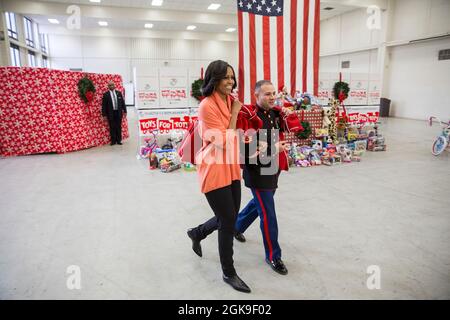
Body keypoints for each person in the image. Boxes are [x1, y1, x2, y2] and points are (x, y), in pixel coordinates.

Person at [186, 60, 251, 293]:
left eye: (232, 77)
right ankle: (228, 272)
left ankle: (197, 233)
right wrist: (234, 114)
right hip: (214, 167)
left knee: (230, 217)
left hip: (231, 165)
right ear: (214, 79)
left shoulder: (228, 99)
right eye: (226, 77)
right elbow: (222, 141)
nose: (230, 82)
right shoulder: (207, 105)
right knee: (227, 221)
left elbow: (232, 136)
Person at [234, 80, 290, 276]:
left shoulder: (274, 114)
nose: (272, 96)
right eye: (267, 94)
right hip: (257, 172)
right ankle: (273, 255)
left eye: (274, 93)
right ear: (256, 95)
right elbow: (247, 150)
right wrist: (275, 148)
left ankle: (237, 226)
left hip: (272, 169)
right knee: (268, 214)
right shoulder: (249, 117)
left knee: (260, 205)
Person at [102, 81, 127, 145]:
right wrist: (104, 115)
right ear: (108, 87)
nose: (111, 86)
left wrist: (125, 111)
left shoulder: (119, 93)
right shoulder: (106, 95)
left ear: (114, 85)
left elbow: (122, 103)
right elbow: (104, 105)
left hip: (118, 113)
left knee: (118, 127)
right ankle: (113, 141)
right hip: (110, 113)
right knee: (112, 127)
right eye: (110, 85)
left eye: (112, 85)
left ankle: (119, 140)